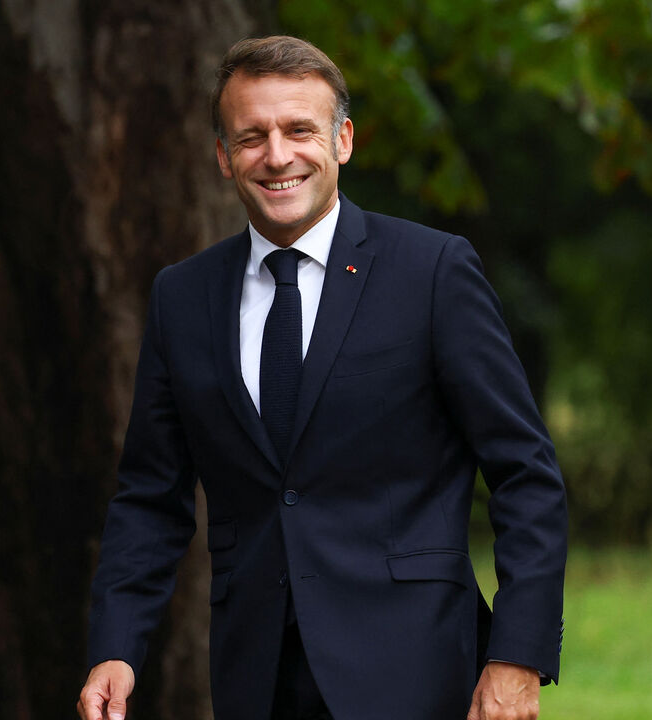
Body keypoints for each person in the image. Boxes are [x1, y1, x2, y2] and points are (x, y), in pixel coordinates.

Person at [78, 35, 568, 720]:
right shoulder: (181, 298)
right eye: (252, 136)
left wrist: (517, 655)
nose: (277, 156)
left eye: (298, 130)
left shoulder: (432, 273)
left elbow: (525, 475)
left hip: (418, 674)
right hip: (255, 679)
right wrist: (116, 647)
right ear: (223, 156)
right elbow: (149, 498)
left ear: (342, 141)